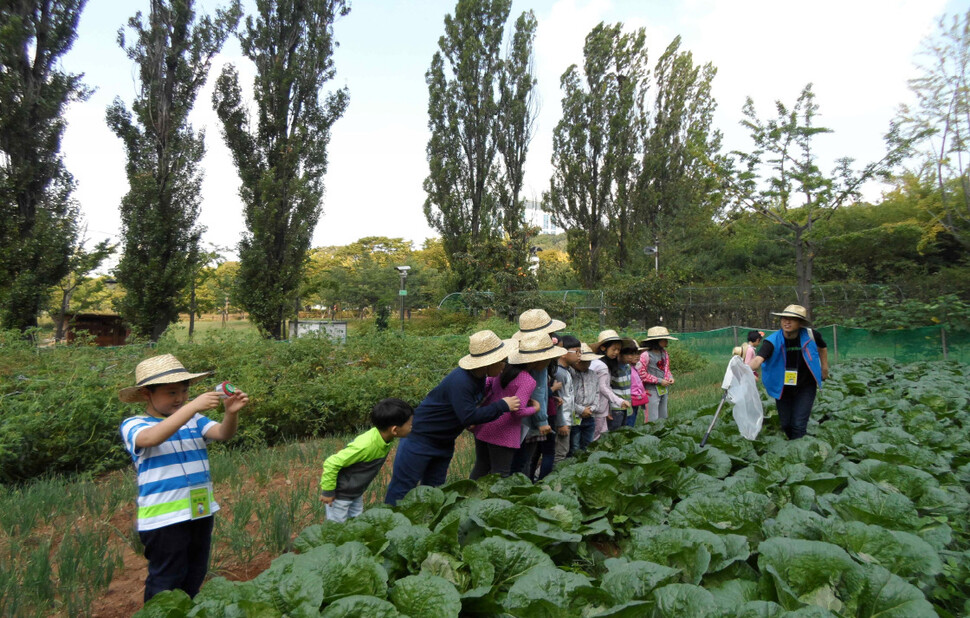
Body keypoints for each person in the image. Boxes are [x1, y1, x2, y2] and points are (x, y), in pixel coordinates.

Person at [119, 354, 250, 603]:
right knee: (166, 582)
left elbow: (223, 433)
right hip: (164, 519)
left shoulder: (195, 420)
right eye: (171, 393)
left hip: (200, 511)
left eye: (183, 391)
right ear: (147, 394)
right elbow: (151, 439)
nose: (179, 398)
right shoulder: (134, 424)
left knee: (194, 575)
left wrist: (230, 413)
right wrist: (192, 407)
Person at [384, 330, 520, 505]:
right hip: (420, 439)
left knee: (435, 489)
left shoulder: (478, 377)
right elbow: (468, 416)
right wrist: (503, 405)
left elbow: (464, 411)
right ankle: (387, 526)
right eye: (502, 361)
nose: (504, 366)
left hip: (444, 441)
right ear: (488, 362)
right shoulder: (461, 380)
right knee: (402, 489)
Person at [471, 334, 562, 479]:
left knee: (481, 467)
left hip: (484, 425)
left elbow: (487, 385)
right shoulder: (527, 380)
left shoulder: (503, 370)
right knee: (501, 474)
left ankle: (470, 497)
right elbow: (517, 412)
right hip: (504, 431)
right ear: (539, 360)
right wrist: (535, 408)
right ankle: (496, 502)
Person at [319, 398, 414, 522]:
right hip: (340, 495)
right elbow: (331, 463)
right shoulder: (366, 446)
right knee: (337, 527)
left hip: (356, 491)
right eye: (410, 424)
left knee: (356, 523)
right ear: (395, 430)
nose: (412, 426)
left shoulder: (384, 437)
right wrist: (328, 492)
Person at [747, 305, 829, 440]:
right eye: (784, 318)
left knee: (798, 424)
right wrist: (743, 369)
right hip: (783, 388)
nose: (787, 322)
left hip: (805, 386)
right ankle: (794, 446)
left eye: (792, 319)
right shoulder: (772, 341)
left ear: (800, 323)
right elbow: (758, 360)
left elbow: (822, 347)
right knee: (786, 424)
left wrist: (824, 367)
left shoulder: (811, 335)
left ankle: (800, 454)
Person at [509, 310, 566, 477]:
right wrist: (542, 420)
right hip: (529, 419)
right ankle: (523, 494)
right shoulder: (538, 358)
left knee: (516, 462)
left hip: (515, 419)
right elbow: (538, 392)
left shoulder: (518, 354)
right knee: (523, 463)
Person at [590, 330, 633, 440]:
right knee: (596, 436)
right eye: (614, 349)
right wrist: (619, 401)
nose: (616, 352)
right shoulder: (601, 366)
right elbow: (603, 387)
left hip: (599, 407)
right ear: (603, 348)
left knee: (601, 434)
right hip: (597, 407)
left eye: (618, 350)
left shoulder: (598, 363)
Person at [567, 343, 602, 454]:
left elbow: (597, 393)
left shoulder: (593, 374)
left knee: (588, 444)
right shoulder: (570, 374)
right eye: (583, 362)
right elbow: (568, 396)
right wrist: (581, 410)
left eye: (588, 361)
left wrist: (592, 408)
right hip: (575, 416)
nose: (586, 364)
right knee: (575, 445)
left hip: (590, 415)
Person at [637, 326, 677, 422]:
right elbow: (641, 374)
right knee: (652, 419)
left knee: (663, 417)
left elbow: (666, 369)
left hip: (664, 389)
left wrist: (670, 377)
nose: (666, 342)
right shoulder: (645, 355)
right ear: (656, 341)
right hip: (651, 390)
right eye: (664, 340)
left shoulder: (664, 353)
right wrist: (659, 381)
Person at [552, 335, 579, 464]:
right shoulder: (560, 373)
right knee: (560, 454)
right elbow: (558, 401)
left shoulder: (567, 371)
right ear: (563, 353)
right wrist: (561, 423)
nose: (580, 355)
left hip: (567, 419)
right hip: (562, 421)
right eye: (577, 351)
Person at [608, 341, 639, 431]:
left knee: (623, 431)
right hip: (615, 407)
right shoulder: (612, 368)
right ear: (619, 354)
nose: (631, 357)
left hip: (626, 405)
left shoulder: (628, 367)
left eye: (633, 354)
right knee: (614, 431)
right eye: (627, 354)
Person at [627, 347, 648, 427]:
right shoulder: (626, 369)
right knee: (629, 422)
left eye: (638, 353)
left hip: (636, 400)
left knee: (632, 420)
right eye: (632, 354)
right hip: (629, 401)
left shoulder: (634, 367)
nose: (636, 356)